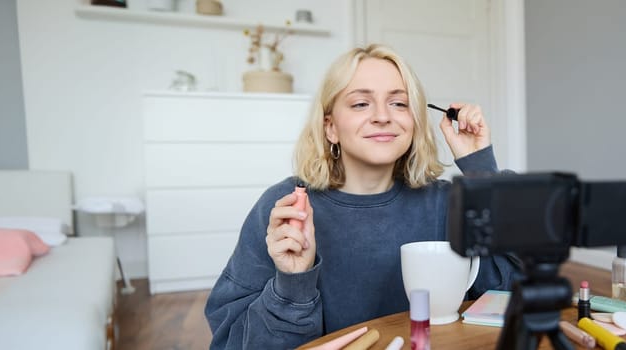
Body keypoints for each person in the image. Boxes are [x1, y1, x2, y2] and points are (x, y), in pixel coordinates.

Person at [205, 44, 519, 349]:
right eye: (360, 104)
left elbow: (512, 287)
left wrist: (481, 171)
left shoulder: (446, 203)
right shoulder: (285, 208)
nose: (383, 116)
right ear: (330, 128)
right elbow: (230, 340)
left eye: (399, 103)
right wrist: (292, 283)